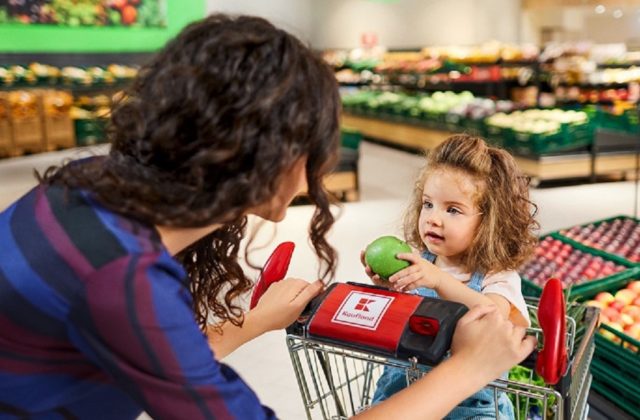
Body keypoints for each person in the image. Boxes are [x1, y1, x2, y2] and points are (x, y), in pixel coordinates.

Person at [0, 15, 535, 419]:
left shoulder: (90, 184)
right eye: (310, 155)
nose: (308, 183)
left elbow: (155, 348)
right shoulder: (121, 279)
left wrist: (255, 320)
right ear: (263, 156)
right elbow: (137, 316)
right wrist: (470, 368)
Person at [363, 135, 539, 418]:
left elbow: (492, 316)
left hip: (472, 409)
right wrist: (391, 288)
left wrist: (438, 280)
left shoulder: (498, 277)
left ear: (490, 222)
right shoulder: (420, 262)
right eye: (428, 204)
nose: (433, 218)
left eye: (453, 210)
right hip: (404, 397)